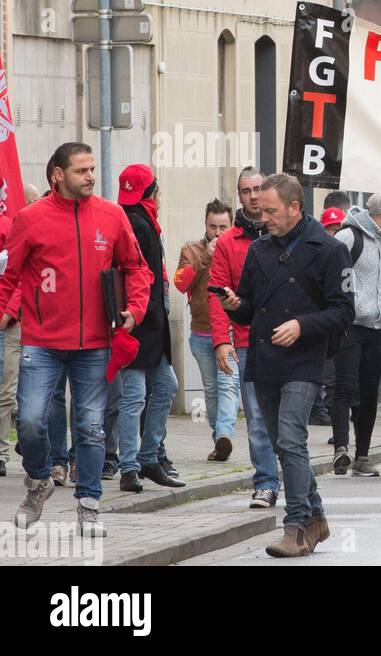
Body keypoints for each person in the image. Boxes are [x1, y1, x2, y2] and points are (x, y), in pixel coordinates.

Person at [3, 142, 152, 536]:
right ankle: (38, 482)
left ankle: (89, 505)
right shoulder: (30, 218)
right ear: (58, 175)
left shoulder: (112, 215)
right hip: (41, 340)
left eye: (92, 169)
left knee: (90, 426)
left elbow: (137, 268)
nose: (90, 176)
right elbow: (10, 276)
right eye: (81, 170)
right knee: (32, 421)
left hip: (96, 342)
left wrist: (134, 309)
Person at [218, 173, 354, 558]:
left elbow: (344, 311)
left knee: (292, 438)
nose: (265, 218)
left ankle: (294, 526)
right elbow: (248, 308)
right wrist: (234, 306)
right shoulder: (259, 250)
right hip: (264, 358)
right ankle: (317, 518)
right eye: (261, 211)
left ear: (295, 208)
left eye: (272, 211)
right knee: (281, 443)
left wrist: (302, 325)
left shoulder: (329, 249)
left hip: (305, 358)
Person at [208, 167, 282, 509]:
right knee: (255, 415)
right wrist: (221, 340)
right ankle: (265, 482)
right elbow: (216, 293)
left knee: (288, 418)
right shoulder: (226, 243)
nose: (253, 196)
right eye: (246, 190)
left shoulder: (286, 233)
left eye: (258, 189)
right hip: (246, 341)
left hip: (288, 339)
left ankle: (295, 478)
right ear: (238, 196)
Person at [113, 164, 183, 492]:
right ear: (151, 192)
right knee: (135, 396)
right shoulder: (139, 223)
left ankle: (146, 457)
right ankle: (131, 466)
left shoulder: (130, 219)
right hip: (136, 323)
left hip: (146, 324)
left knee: (162, 387)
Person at [325, 193, 381, 477]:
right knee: (344, 388)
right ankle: (341, 449)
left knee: (370, 394)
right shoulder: (349, 237)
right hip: (351, 326)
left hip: (376, 329)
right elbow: (329, 268)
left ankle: (362, 456)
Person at [176, 199, 239, 463]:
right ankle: (219, 438)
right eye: (213, 226)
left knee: (228, 385)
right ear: (205, 224)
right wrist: (206, 256)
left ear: (231, 225)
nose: (218, 232)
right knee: (211, 390)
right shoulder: (191, 250)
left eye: (223, 227)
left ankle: (224, 433)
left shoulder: (239, 248)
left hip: (231, 330)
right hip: (202, 333)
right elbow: (180, 283)